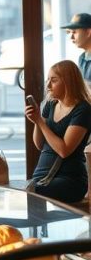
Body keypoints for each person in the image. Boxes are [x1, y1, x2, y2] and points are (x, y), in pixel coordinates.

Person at [25, 59, 91, 204]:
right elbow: (40, 144)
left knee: (29, 193)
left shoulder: (83, 110)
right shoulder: (51, 104)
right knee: (23, 191)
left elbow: (64, 150)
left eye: (53, 80)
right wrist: (37, 122)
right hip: (42, 176)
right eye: (48, 79)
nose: (48, 85)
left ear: (68, 82)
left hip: (69, 179)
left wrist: (41, 122)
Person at [61, 12, 91, 86]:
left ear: (88, 32)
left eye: (74, 32)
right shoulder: (82, 58)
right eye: (70, 32)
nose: (71, 37)